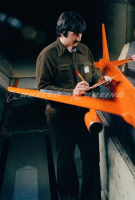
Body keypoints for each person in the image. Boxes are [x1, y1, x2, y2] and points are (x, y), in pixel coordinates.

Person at [36, 11, 111, 200]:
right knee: (65, 161)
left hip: (85, 114)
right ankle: (69, 197)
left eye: (80, 34)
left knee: (91, 158)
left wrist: (101, 80)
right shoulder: (47, 56)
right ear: (62, 32)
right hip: (61, 116)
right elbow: (43, 89)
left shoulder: (84, 50)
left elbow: (92, 75)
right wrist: (71, 92)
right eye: (74, 34)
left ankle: (90, 197)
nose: (79, 37)